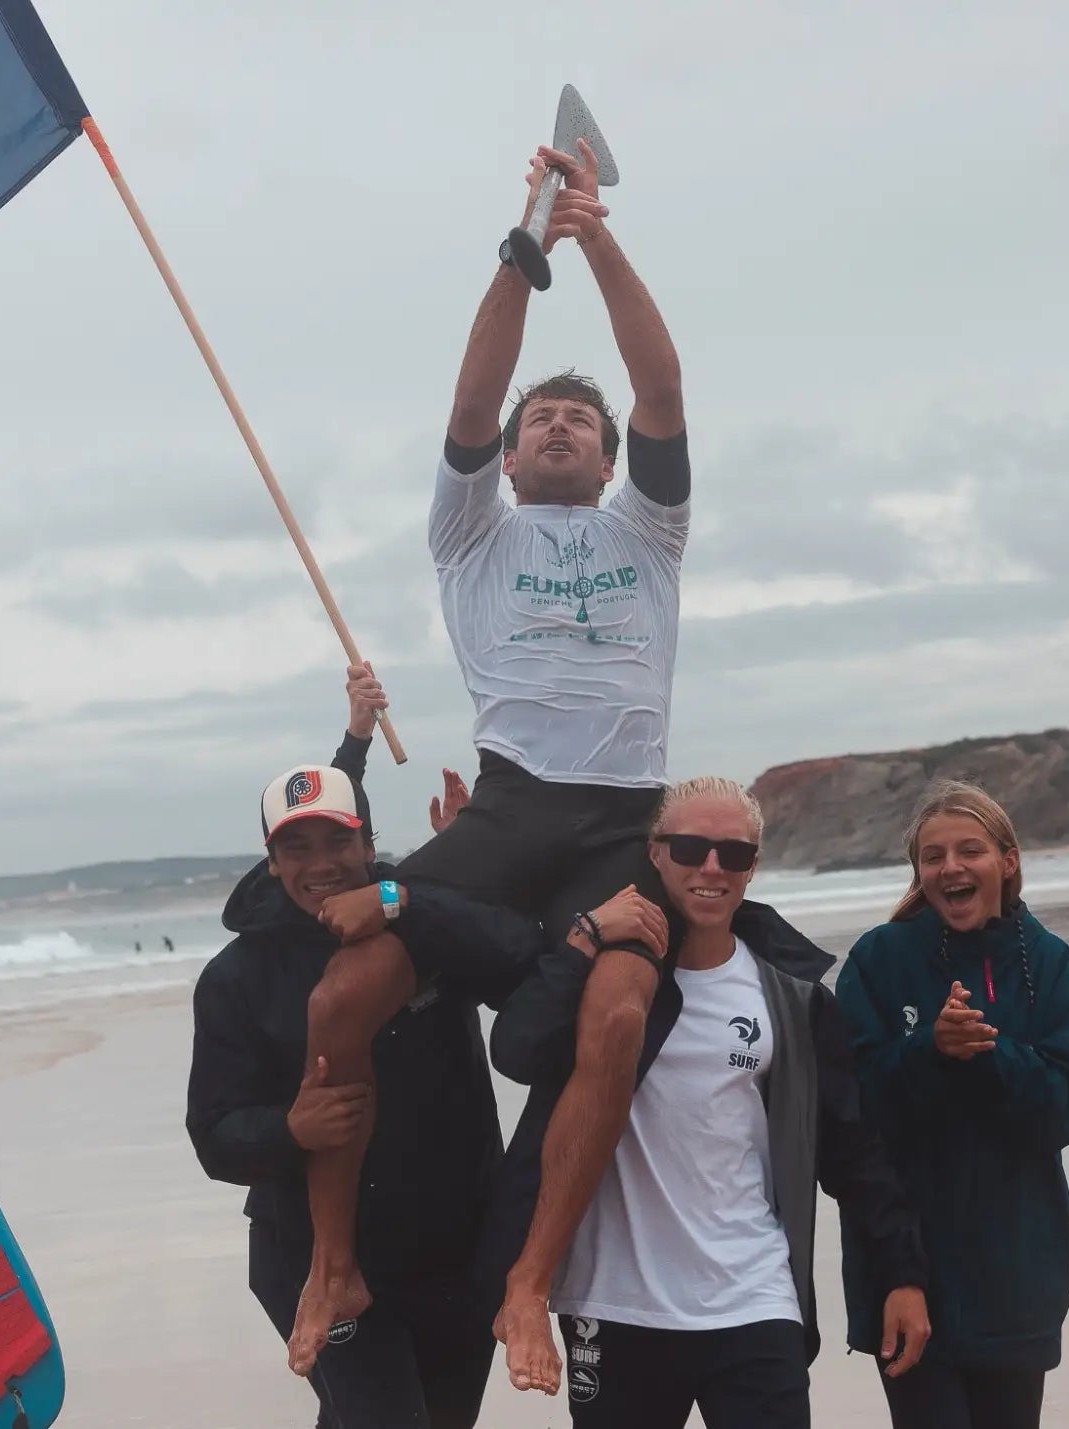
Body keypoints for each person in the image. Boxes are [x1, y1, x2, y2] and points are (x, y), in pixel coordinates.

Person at [291, 135, 693, 1393]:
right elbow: (469, 403)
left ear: (610, 460)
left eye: (579, 418)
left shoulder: (651, 529)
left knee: (618, 1012)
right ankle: (333, 1259)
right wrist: (527, 250)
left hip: (625, 820)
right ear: (511, 461)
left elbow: (662, 381)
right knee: (339, 1000)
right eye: (541, 420)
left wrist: (598, 231)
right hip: (511, 809)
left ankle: (529, 1279)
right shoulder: (470, 535)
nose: (557, 423)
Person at [186, 667, 652, 1425]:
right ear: (271, 863)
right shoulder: (236, 977)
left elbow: (521, 964)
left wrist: (428, 900)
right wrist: (289, 1129)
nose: (318, 864)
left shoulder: (421, 924)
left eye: (335, 840)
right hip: (316, 1259)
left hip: (450, 1253)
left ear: (368, 843)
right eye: (294, 848)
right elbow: (214, 1136)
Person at [489, 777, 931, 1427]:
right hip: (615, 1301)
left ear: (754, 865)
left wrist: (902, 1273)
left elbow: (852, 1150)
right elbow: (517, 1050)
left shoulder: (791, 998)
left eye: (735, 853)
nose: (712, 867)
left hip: (752, 1294)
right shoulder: (604, 977)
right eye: (692, 846)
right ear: (656, 852)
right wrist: (584, 937)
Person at [835, 780, 1069, 1429]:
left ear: (1007, 859)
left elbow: (1067, 1110)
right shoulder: (878, 960)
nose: (950, 867)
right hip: (906, 1277)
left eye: (969, 849)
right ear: (919, 870)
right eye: (933, 855)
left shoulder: (1052, 965)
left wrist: (986, 1051)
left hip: (1018, 1277)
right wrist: (929, 1049)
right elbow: (849, 1116)